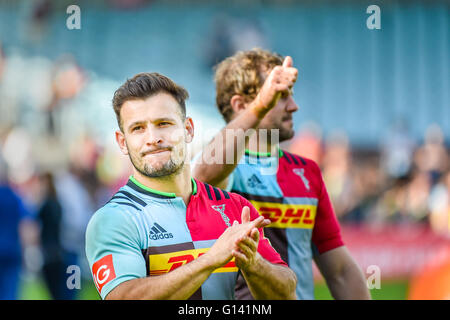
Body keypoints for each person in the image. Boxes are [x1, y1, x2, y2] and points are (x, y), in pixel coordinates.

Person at [85, 72, 297, 300]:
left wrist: (255, 265)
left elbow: (286, 293)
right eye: (138, 128)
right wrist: (211, 258)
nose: (153, 138)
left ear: (188, 129)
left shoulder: (234, 207)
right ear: (122, 141)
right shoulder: (114, 219)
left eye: (163, 123)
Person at [192, 48, 370, 300]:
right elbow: (204, 174)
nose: (294, 107)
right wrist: (260, 107)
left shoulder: (307, 172)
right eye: (281, 96)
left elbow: (339, 271)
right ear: (240, 105)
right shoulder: (223, 165)